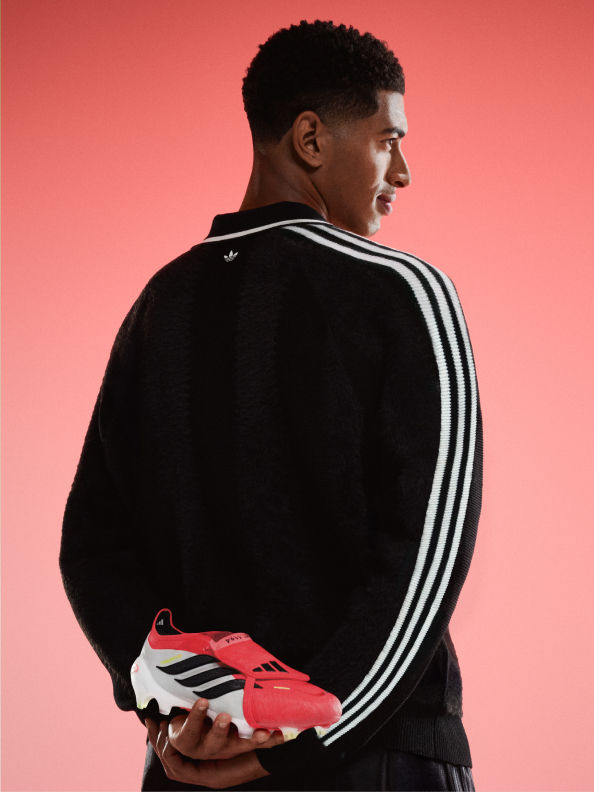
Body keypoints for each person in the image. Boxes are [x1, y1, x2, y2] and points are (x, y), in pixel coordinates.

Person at [59, 19, 482, 792]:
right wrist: (311, 729)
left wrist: (172, 718)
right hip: (371, 757)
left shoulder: (161, 305)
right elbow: (428, 552)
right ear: (312, 139)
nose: (405, 171)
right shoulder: (404, 292)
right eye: (388, 140)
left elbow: (91, 549)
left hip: (193, 762)